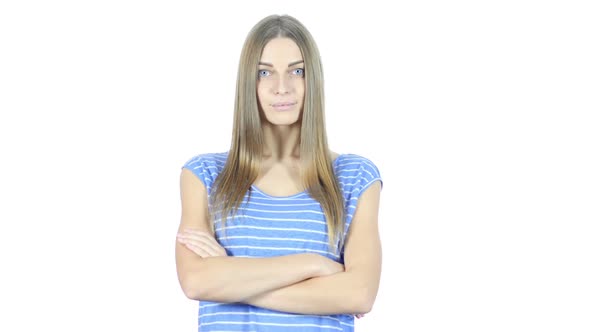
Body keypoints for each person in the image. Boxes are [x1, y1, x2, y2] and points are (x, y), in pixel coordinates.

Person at [175, 14, 383, 332]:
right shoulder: (205, 175)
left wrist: (231, 278)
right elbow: (195, 281)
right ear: (249, 82)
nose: (281, 88)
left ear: (312, 79)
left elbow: (359, 292)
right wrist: (314, 265)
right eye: (264, 73)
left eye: (296, 71)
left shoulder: (354, 178)